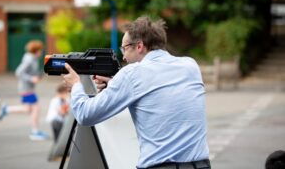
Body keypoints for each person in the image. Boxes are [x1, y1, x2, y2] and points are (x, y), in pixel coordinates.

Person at [63, 16, 210, 169]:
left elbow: (85, 114)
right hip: (201, 165)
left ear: (139, 46)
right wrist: (114, 85)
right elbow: (158, 91)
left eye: (124, 48)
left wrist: (75, 86)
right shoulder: (190, 66)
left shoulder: (132, 74)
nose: (124, 56)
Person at [0, 40, 49, 141]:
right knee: (36, 109)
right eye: (40, 50)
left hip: (28, 88)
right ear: (36, 50)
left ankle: (6, 109)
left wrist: (36, 77)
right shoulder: (29, 59)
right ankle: (34, 132)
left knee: (28, 109)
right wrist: (32, 79)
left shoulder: (33, 58)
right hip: (26, 88)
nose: (41, 52)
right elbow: (18, 72)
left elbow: (30, 73)